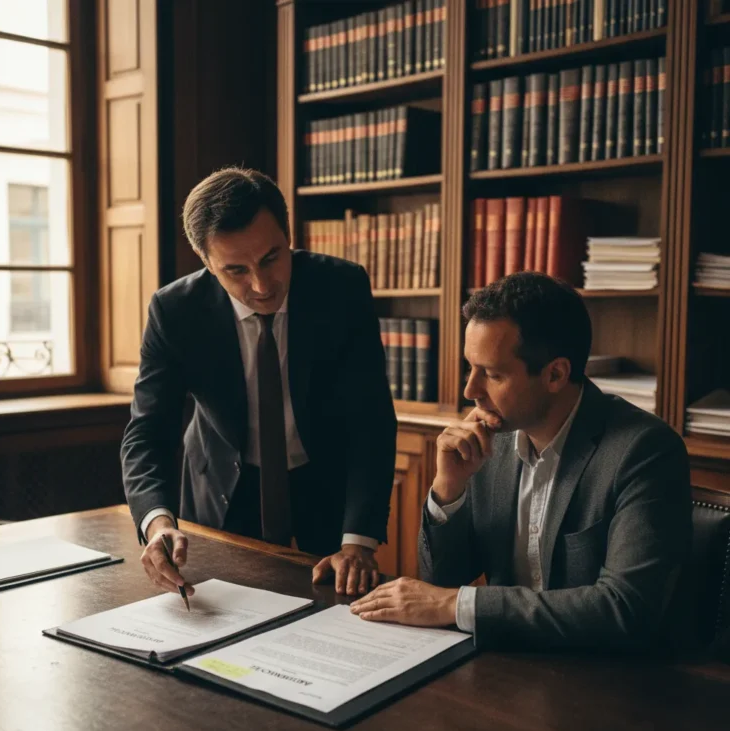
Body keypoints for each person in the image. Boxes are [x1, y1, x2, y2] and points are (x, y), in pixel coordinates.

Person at [351, 271, 692, 650]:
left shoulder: (644, 452)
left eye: (492, 374)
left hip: (607, 682)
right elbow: (440, 585)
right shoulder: (489, 437)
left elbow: (625, 609)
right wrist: (448, 491)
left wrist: (458, 603)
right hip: (505, 665)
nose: (470, 390)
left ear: (556, 374)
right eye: (470, 367)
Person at [121, 167, 396, 597]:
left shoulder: (342, 289)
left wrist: (358, 541)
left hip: (325, 494)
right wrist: (158, 524)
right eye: (236, 270)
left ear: (289, 237)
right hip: (220, 497)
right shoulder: (175, 312)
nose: (262, 285)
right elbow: (147, 433)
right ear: (207, 264)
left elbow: (371, 420)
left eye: (271, 257)